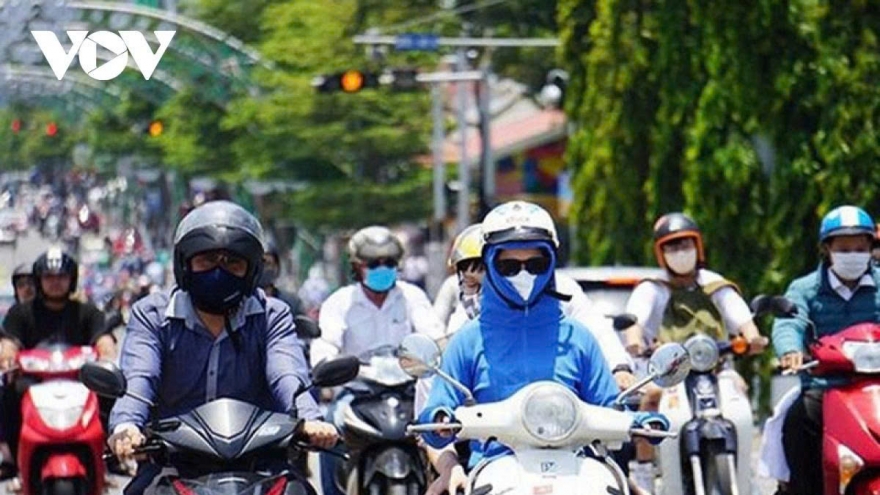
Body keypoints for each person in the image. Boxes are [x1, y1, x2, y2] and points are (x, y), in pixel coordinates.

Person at [419, 201, 666, 495]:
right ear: (490, 265)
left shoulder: (578, 337)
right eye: (508, 266)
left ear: (550, 264)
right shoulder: (466, 339)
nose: (523, 274)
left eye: (535, 264)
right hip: (493, 466)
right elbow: (436, 408)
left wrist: (639, 421)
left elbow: (609, 405)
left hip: (581, 468)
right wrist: (439, 422)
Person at [106, 200, 336, 494]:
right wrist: (126, 426)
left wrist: (310, 419)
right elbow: (140, 378)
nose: (219, 271)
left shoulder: (271, 315)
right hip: (173, 462)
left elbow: (286, 374)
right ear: (184, 264)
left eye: (232, 263)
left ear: (251, 271)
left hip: (261, 461)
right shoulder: (152, 315)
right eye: (207, 260)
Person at [620, 212, 767, 493]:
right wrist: (635, 341)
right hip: (666, 371)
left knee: (740, 392)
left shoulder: (714, 284)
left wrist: (753, 336)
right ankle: (645, 470)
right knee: (650, 397)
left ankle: (742, 468)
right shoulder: (653, 287)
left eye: (686, 245)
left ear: (698, 247)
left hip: (716, 366)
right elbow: (634, 319)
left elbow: (739, 314)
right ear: (661, 253)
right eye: (672, 247)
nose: (680, 253)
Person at [313, 225, 445, 495]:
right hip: (358, 392)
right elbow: (326, 342)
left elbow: (433, 335)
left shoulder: (412, 297)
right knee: (329, 429)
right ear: (357, 266)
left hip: (409, 389)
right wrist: (326, 364)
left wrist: (438, 350)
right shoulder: (339, 302)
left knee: (441, 427)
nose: (381, 268)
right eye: (374, 263)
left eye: (389, 262)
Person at [770, 205, 880, 495]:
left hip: (876, 386)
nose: (853, 255)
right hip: (826, 387)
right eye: (844, 248)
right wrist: (790, 350)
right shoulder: (805, 289)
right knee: (799, 418)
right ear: (827, 249)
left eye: (860, 247)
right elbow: (788, 323)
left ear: (871, 247)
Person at [0, 249, 115, 479]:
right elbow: (9, 342)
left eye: (61, 277)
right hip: (33, 383)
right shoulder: (20, 313)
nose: (55, 283)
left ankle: (110, 453)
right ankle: (11, 458)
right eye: (49, 277)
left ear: (71, 280)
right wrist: (8, 358)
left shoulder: (87, 312)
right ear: (39, 279)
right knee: (6, 394)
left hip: (81, 382)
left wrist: (107, 354)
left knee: (111, 392)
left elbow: (103, 338)